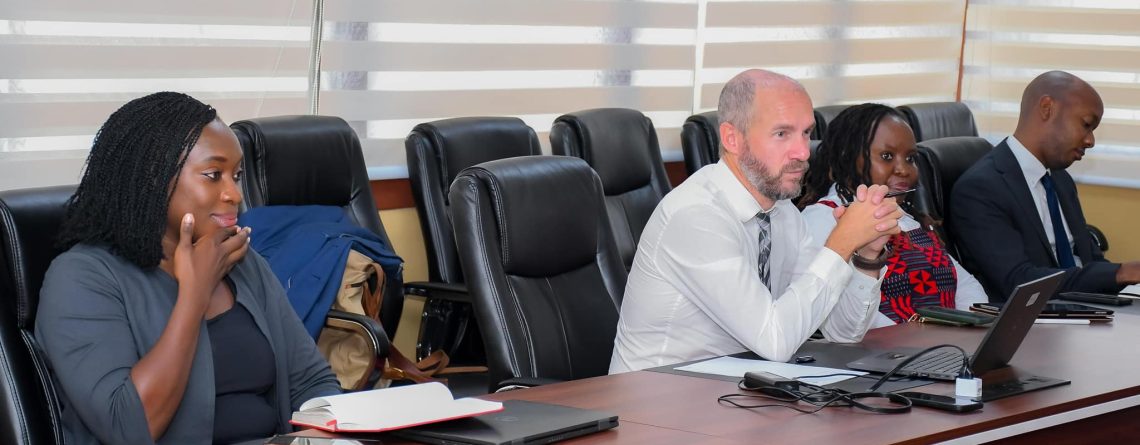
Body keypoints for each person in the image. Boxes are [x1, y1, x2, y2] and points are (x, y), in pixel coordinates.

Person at [35, 92, 341, 444]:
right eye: (213, 175)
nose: (235, 194)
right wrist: (195, 293)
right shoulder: (82, 279)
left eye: (236, 175)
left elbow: (312, 382)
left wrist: (320, 437)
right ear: (152, 178)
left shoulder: (240, 260)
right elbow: (129, 429)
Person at [609, 69, 904, 373]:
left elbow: (843, 333)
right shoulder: (696, 215)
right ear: (732, 138)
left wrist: (866, 256)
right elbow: (775, 340)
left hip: (733, 387)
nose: (803, 152)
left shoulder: (783, 211)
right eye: (782, 134)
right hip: (657, 393)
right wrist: (840, 243)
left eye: (806, 133)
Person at [950, 71, 1140, 301]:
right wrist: (1121, 273)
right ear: (1047, 108)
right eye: (1086, 125)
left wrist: (1125, 280)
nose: (1090, 141)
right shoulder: (981, 189)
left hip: (1084, 306)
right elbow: (1018, 281)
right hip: (1035, 315)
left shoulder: (1059, 179)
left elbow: (1090, 260)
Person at [798, 103, 987, 326]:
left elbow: (967, 286)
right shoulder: (823, 219)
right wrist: (926, 338)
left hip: (945, 343)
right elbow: (843, 316)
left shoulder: (908, 218)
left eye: (910, 158)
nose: (904, 169)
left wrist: (967, 327)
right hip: (885, 346)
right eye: (887, 156)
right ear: (847, 157)